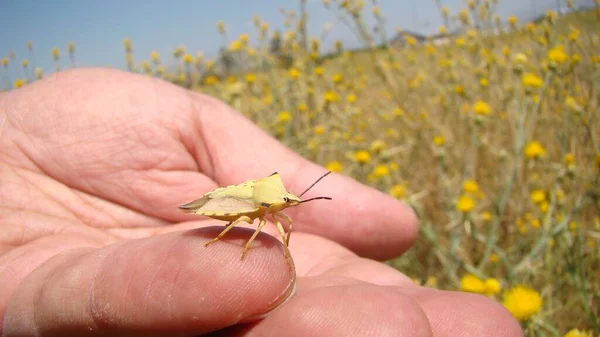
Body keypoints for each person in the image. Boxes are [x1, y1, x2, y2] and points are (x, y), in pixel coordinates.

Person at [0, 68, 523, 336]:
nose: (293, 206)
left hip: (243, 202)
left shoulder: (279, 206)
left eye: (296, 200)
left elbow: (277, 213)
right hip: (228, 204)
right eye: (294, 199)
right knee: (243, 235)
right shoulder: (263, 205)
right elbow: (249, 212)